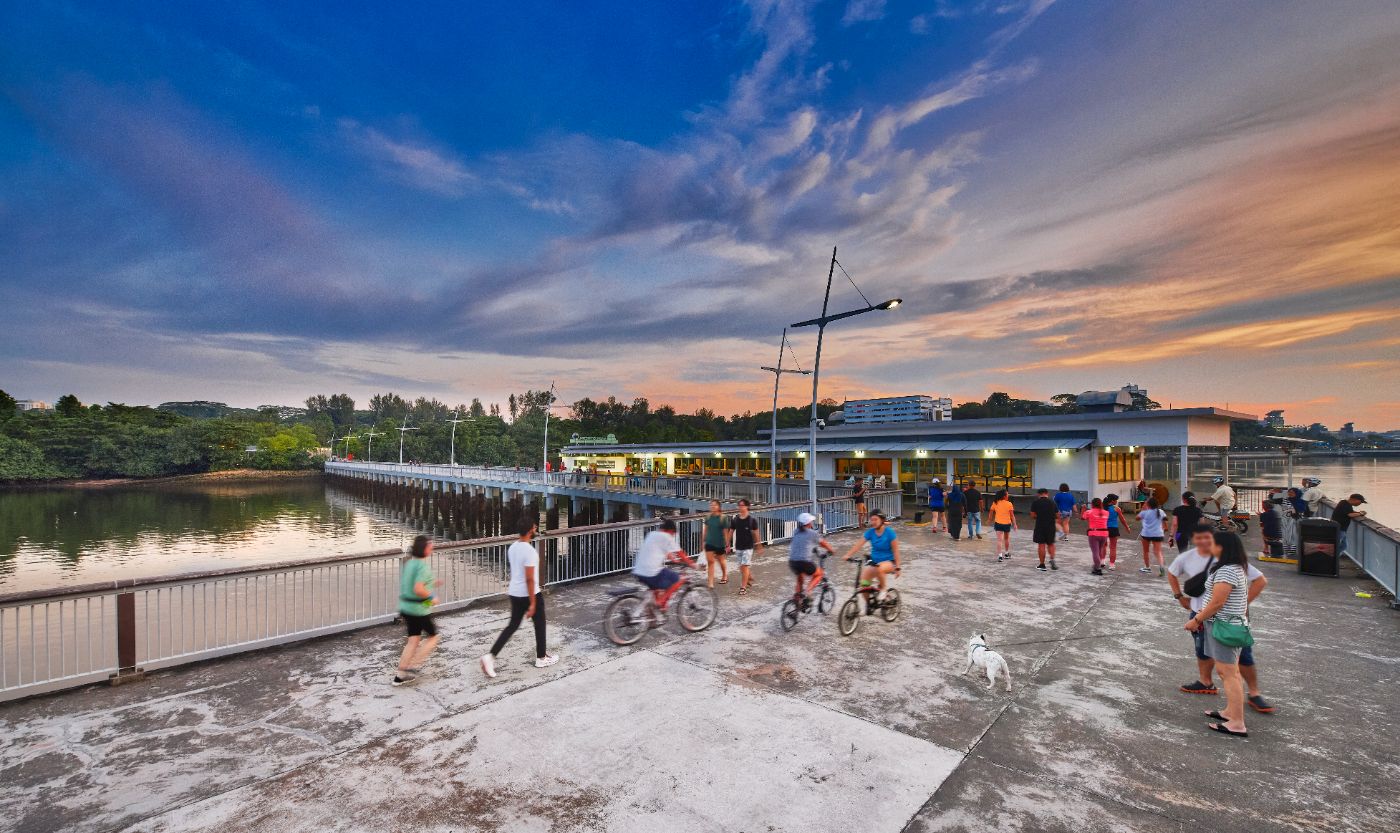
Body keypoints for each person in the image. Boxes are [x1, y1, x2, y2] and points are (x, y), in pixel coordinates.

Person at [1166, 524, 1272, 715]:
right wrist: (1179, 596)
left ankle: (1250, 699)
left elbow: (1218, 602)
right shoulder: (1193, 559)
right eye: (1199, 538)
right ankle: (1206, 683)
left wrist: (1242, 604)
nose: (1206, 543)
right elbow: (1171, 573)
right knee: (1205, 653)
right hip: (1206, 616)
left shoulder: (1229, 567)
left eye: (1210, 539)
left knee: (1234, 666)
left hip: (1222, 621)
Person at [1184, 531, 1260, 738]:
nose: (1211, 547)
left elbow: (1218, 602)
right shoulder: (1233, 568)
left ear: (1223, 547)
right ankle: (1230, 712)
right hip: (1224, 625)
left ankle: (1237, 722)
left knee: (1229, 673)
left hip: (1223, 626)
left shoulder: (1227, 571)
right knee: (1228, 671)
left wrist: (1196, 619)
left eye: (1214, 544)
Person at [481, 521, 557, 678]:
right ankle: (541, 658)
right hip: (530, 594)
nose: (536, 529)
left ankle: (490, 656)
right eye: (535, 527)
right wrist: (533, 603)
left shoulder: (513, 547)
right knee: (540, 624)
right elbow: (530, 579)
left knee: (512, 626)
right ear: (530, 530)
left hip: (514, 592)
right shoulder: (529, 551)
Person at [392, 535, 441, 686]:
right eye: (430, 545)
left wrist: (432, 583)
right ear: (425, 549)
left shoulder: (410, 564)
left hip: (406, 608)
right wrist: (431, 598)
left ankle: (400, 675)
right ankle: (414, 665)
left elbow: (414, 585)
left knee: (413, 640)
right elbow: (418, 589)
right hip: (419, 610)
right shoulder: (423, 567)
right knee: (433, 637)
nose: (432, 547)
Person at [631, 518, 696, 612]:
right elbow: (680, 553)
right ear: (671, 531)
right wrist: (692, 564)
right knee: (676, 579)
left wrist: (673, 558)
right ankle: (661, 602)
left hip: (638, 571)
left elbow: (662, 549)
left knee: (656, 588)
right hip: (651, 572)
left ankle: (653, 616)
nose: (673, 536)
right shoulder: (667, 536)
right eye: (673, 534)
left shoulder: (652, 534)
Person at [843, 510, 901, 603]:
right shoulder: (870, 532)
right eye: (871, 520)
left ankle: (884, 589)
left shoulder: (890, 533)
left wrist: (898, 568)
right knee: (864, 584)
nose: (873, 522)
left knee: (880, 568)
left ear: (882, 520)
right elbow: (859, 544)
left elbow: (896, 551)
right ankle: (869, 606)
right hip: (875, 563)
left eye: (875, 519)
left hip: (890, 563)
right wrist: (848, 555)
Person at [789, 512, 834, 607]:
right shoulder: (812, 533)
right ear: (808, 523)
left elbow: (802, 543)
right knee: (819, 574)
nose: (812, 523)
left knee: (800, 579)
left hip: (792, 562)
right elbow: (823, 543)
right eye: (811, 521)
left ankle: (797, 602)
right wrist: (831, 550)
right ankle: (808, 591)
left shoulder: (796, 531)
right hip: (804, 562)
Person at [731, 499, 762, 595]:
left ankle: (743, 587)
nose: (740, 507)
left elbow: (756, 533)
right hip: (738, 546)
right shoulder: (735, 519)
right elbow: (731, 531)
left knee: (744, 566)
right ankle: (749, 576)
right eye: (739, 505)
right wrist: (727, 543)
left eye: (742, 505)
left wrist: (758, 545)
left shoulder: (752, 520)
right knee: (742, 567)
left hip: (748, 547)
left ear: (747, 507)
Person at [702, 499, 730, 589]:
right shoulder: (708, 517)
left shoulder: (723, 518)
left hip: (719, 543)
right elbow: (705, 530)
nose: (713, 507)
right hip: (709, 542)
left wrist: (727, 544)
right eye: (711, 505)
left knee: (721, 560)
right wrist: (703, 541)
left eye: (715, 505)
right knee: (710, 562)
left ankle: (725, 575)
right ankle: (710, 582)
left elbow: (726, 532)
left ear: (719, 507)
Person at [1137, 497, 1168, 576]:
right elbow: (1165, 521)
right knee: (1158, 552)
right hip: (1158, 534)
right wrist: (1165, 528)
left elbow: (1137, 518)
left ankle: (1147, 568)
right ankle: (1161, 567)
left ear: (1148, 504)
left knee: (1146, 551)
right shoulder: (1161, 511)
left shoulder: (1145, 512)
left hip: (1146, 534)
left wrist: (1143, 509)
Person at [1029, 488, 1058, 571]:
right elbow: (1057, 515)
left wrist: (1039, 516)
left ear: (1039, 494)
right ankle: (1052, 560)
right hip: (1051, 526)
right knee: (1051, 544)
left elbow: (1032, 515)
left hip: (1040, 526)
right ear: (1047, 493)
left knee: (1041, 544)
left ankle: (1042, 565)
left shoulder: (1036, 502)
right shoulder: (1052, 502)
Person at [1104, 494, 1131, 570]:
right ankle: (1112, 565)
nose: (1116, 501)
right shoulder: (1116, 509)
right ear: (1112, 501)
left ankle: (1102, 561)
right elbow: (1122, 520)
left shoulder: (1103, 508)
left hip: (1103, 528)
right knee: (1113, 547)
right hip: (1113, 528)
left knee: (1103, 546)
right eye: (1116, 500)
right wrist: (1127, 527)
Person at [1083, 498, 1110, 575]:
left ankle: (1097, 568)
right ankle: (1097, 565)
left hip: (1094, 533)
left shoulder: (1089, 512)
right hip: (1104, 533)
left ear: (1092, 504)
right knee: (1099, 550)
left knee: (1095, 552)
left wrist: (1084, 509)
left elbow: (1083, 517)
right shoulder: (1106, 513)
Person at [990, 490, 1017, 562]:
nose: (1008, 496)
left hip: (998, 523)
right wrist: (1014, 524)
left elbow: (991, 511)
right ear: (1004, 496)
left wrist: (989, 519)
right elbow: (1012, 516)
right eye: (1007, 495)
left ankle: (1000, 556)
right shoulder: (1009, 504)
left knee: (999, 540)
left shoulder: (995, 502)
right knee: (1006, 539)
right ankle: (1007, 553)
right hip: (1007, 524)